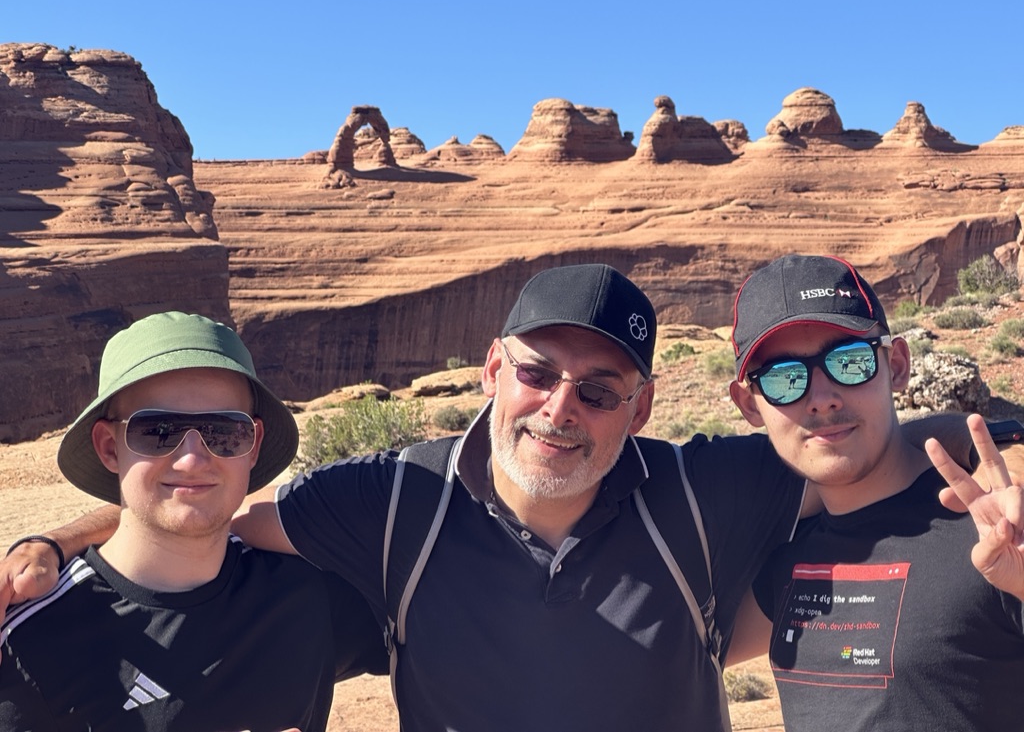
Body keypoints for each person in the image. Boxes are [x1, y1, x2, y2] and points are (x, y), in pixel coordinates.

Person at [1, 265, 980, 732]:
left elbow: (872, 444)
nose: (562, 409)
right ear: (488, 370)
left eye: (599, 390)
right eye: (536, 372)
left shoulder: (701, 488)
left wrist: (1006, 444)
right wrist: (48, 538)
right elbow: (198, 507)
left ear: (639, 408)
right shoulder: (387, 500)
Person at [0, 312, 386, 731]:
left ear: (253, 446)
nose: (192, 459)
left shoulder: (307, 594)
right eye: (158, 430)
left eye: (223, 433)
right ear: (109, 447)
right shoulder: (33, 644)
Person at [727, 254, 1024, 731]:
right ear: (750, 405)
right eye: (784, 379)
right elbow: (681, 652)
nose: (822, 396)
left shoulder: (993, 527)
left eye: (849, 362)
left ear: (897, 365)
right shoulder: (785, 555)